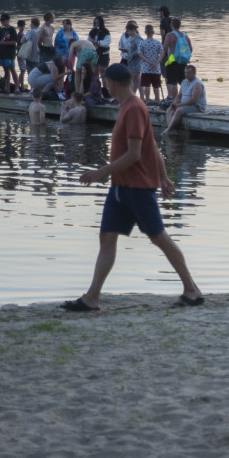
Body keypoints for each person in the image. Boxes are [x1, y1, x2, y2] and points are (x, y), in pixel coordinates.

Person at [64, 63, 204, 312]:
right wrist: (162, 177)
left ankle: (191, 289)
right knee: (106, 238)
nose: (104, 84)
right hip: (120, 187)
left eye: (106, 81)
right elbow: (154, 148)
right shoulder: (127, 107)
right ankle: (92, 297)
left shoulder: (135, 109)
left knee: (159, 237)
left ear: (114, 83)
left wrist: (101, 173)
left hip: (137, 188)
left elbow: (136, 154)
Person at [162, 64, 207, 136]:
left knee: (179, 110)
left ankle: (169, 130)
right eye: (185, 72)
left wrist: (179, 105)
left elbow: (194, 100)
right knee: (169, 110)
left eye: (188, 73)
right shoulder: (184, 82)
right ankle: (171, 128)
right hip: (185, 105)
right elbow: (179, 95)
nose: (186, 74)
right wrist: (174, 103)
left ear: (194, 73)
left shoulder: (197, 84)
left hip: (196, 106)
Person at [162, 18, 192, 105]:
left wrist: (159, 59)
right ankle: (184, 99)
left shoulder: (169, 35)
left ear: (171, 25)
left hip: (173, 60)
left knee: (172, 81)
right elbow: (190, 49)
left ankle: (175, 101)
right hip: (183, 61)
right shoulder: (185, 36)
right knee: (183, 81)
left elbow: (164, 48)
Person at [138, 24, 164, 105]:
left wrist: (148, 62)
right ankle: (157, 100)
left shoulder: (142, 42)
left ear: (145, 32)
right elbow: (162, 53)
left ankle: (148, 100)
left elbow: (140, 54)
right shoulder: (157, 42)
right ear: (153, 32)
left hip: (146, 67)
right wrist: (156, 63)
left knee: (146, 85)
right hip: (156, 68)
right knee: (156, 85)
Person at [0, 13, 20, 93]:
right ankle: (7, 88)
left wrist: (1, 43)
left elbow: (14, 42)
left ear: (7, 20)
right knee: (6, 70)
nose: (2, 22)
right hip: (2, 53)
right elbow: (0, 40)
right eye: (1, 21)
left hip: (10, 53)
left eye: (3, 21)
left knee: (12, 69)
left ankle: (17, 87)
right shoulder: (2, 30)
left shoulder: (12, 29)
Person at [118, 20, 143, 86]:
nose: (127, 31)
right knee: (121, 74)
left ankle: (133, 93)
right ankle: (126, 90)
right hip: (125, 57)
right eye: (127, 29)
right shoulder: (123, 35)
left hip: (134, 59)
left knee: (134, 78)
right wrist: (124, 50)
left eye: (128, 30)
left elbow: (139, 48)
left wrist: (132, 54)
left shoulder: (137, 37)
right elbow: (120, 45)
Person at [89, 15, 111, 80]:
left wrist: (97, 42)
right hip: (94, 54)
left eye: (98, 23)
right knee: (95, 72)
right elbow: (88, 41)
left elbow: (107, 42)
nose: (96, 24)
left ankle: (105, 88)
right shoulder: (92, 32)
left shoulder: (106, 32)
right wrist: (92, 43)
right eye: (95, 23)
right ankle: (97, 88)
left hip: (103, 54)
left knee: (103, 73)